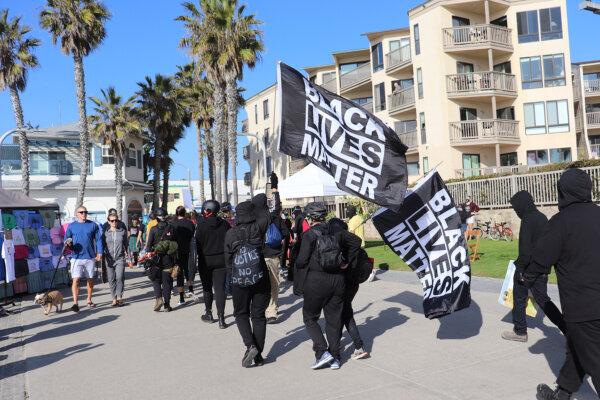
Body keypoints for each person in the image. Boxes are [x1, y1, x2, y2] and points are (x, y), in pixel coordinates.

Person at [523, 169, 600, 400]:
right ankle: (562, 394)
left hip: (583, 306)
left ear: (563, 192)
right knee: (577, 349)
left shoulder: (561, 222)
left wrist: (526, 277)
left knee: (595, 360)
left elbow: (543, 256)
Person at [295, 202, 361, 370]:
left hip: (316, 281)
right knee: (334, 320)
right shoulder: (337, 231)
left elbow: (301, 261)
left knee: (310, 317)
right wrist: (346, 261)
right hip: (338, 280)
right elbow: (356, 241)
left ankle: (322, 351)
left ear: (310, 218)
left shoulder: (309, 235)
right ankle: (335, 357)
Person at [501, 191, 566, 342]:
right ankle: (567, 329)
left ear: (522, 205)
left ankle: (520, 331)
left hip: (528, 270)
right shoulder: (542, 217)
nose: (516, 211)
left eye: (516, 207)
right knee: (543, 300)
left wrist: (520, 269)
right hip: (542, 268)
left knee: (519, 298)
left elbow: (525, 251)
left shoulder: (528, 220)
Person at [224, 200, 271, 368]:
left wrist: (231, 280)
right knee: (258, 316)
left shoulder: (230, 233)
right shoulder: (259, 227)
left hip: (239, 279)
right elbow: (266, 211)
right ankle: (258, 356)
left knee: (240, 314)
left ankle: (250, 346)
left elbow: (228, 261)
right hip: (260, 275)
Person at [328, 217, 369, 360]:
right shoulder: (348, 244)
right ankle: (336, 343)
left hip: (346, 284)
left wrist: (345, 261)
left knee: (345, 314)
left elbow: (357, 241)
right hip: (353, 284)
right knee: (342, 312)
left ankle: (359, 346)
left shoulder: (344, 243)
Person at [255, 176, 289, 324]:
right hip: (272, 255)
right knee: (274, 284)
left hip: (257, 256)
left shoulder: (252, 218)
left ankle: (259, 309)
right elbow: (286, 232)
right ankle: (272, 311)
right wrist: (275, 187)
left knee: (259, 285)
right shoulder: (273, 216)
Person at [196, 200, 231, 327]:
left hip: (205, 260)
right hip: (221, 260)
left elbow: (197, 245)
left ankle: (209, 313)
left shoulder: (201, 225)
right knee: (220, 289)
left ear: (207, 210)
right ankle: (221, 318)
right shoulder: (225, 224)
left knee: (207, 287)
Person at [64, 206, 103, 312]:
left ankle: (89, 300)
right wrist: (68, 244)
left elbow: (99, 239)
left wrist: (99, 252)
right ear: (77, 214)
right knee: (76, 280)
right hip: (76, 257)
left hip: (90, 257)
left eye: (85, 212)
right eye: (81, 212)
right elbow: (66, 239)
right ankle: (75, 303)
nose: (84, 214)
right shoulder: (72, 226)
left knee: (90, 279)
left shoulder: (93, 225)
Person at [146, 208, 177, 312]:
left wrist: (148, 255)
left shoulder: (154, 229)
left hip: (156, 258)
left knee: (156, 279)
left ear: (157, 218)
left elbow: (149, 245)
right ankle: (167, 304)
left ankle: (159, 299)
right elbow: (176, 243)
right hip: (169, 258)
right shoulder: (171, 228)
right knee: (167, 282)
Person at [103, 212, 128, 306]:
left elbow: (126, 244)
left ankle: (120, 297)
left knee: (120, 277)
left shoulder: (122, 231)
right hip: (109, 259)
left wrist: (128, 255)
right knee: (111, 279)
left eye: (116, 220)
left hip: (120, 258)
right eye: (112, 221)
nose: (114, 222)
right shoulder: (105, 233)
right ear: (108, 221)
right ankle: (114, 298)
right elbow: (102, 245)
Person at [170, 206, 195, 303]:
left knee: (179, 274)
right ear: (184, 213)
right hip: (188, 250)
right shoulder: (189, 223)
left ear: (176, 213)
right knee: (188, 272)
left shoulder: (173, 224)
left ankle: (181, 298)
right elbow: (192, 235)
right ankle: (191, 291)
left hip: (177, 252)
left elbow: (171, 237)